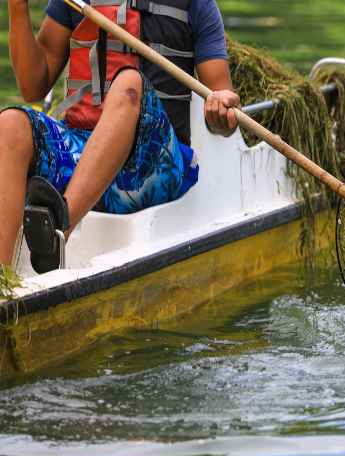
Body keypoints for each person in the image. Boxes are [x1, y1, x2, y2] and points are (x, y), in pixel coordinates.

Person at [0, 0, 240, 272]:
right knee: (9, 124)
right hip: (81, 154)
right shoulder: (75, 2)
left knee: (128, 83)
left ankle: (57, 234)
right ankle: (3, 282)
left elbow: (225, 111)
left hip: (153, 165)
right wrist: (17, 8)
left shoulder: (196, 5)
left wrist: (221, 106)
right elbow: (32, 87)